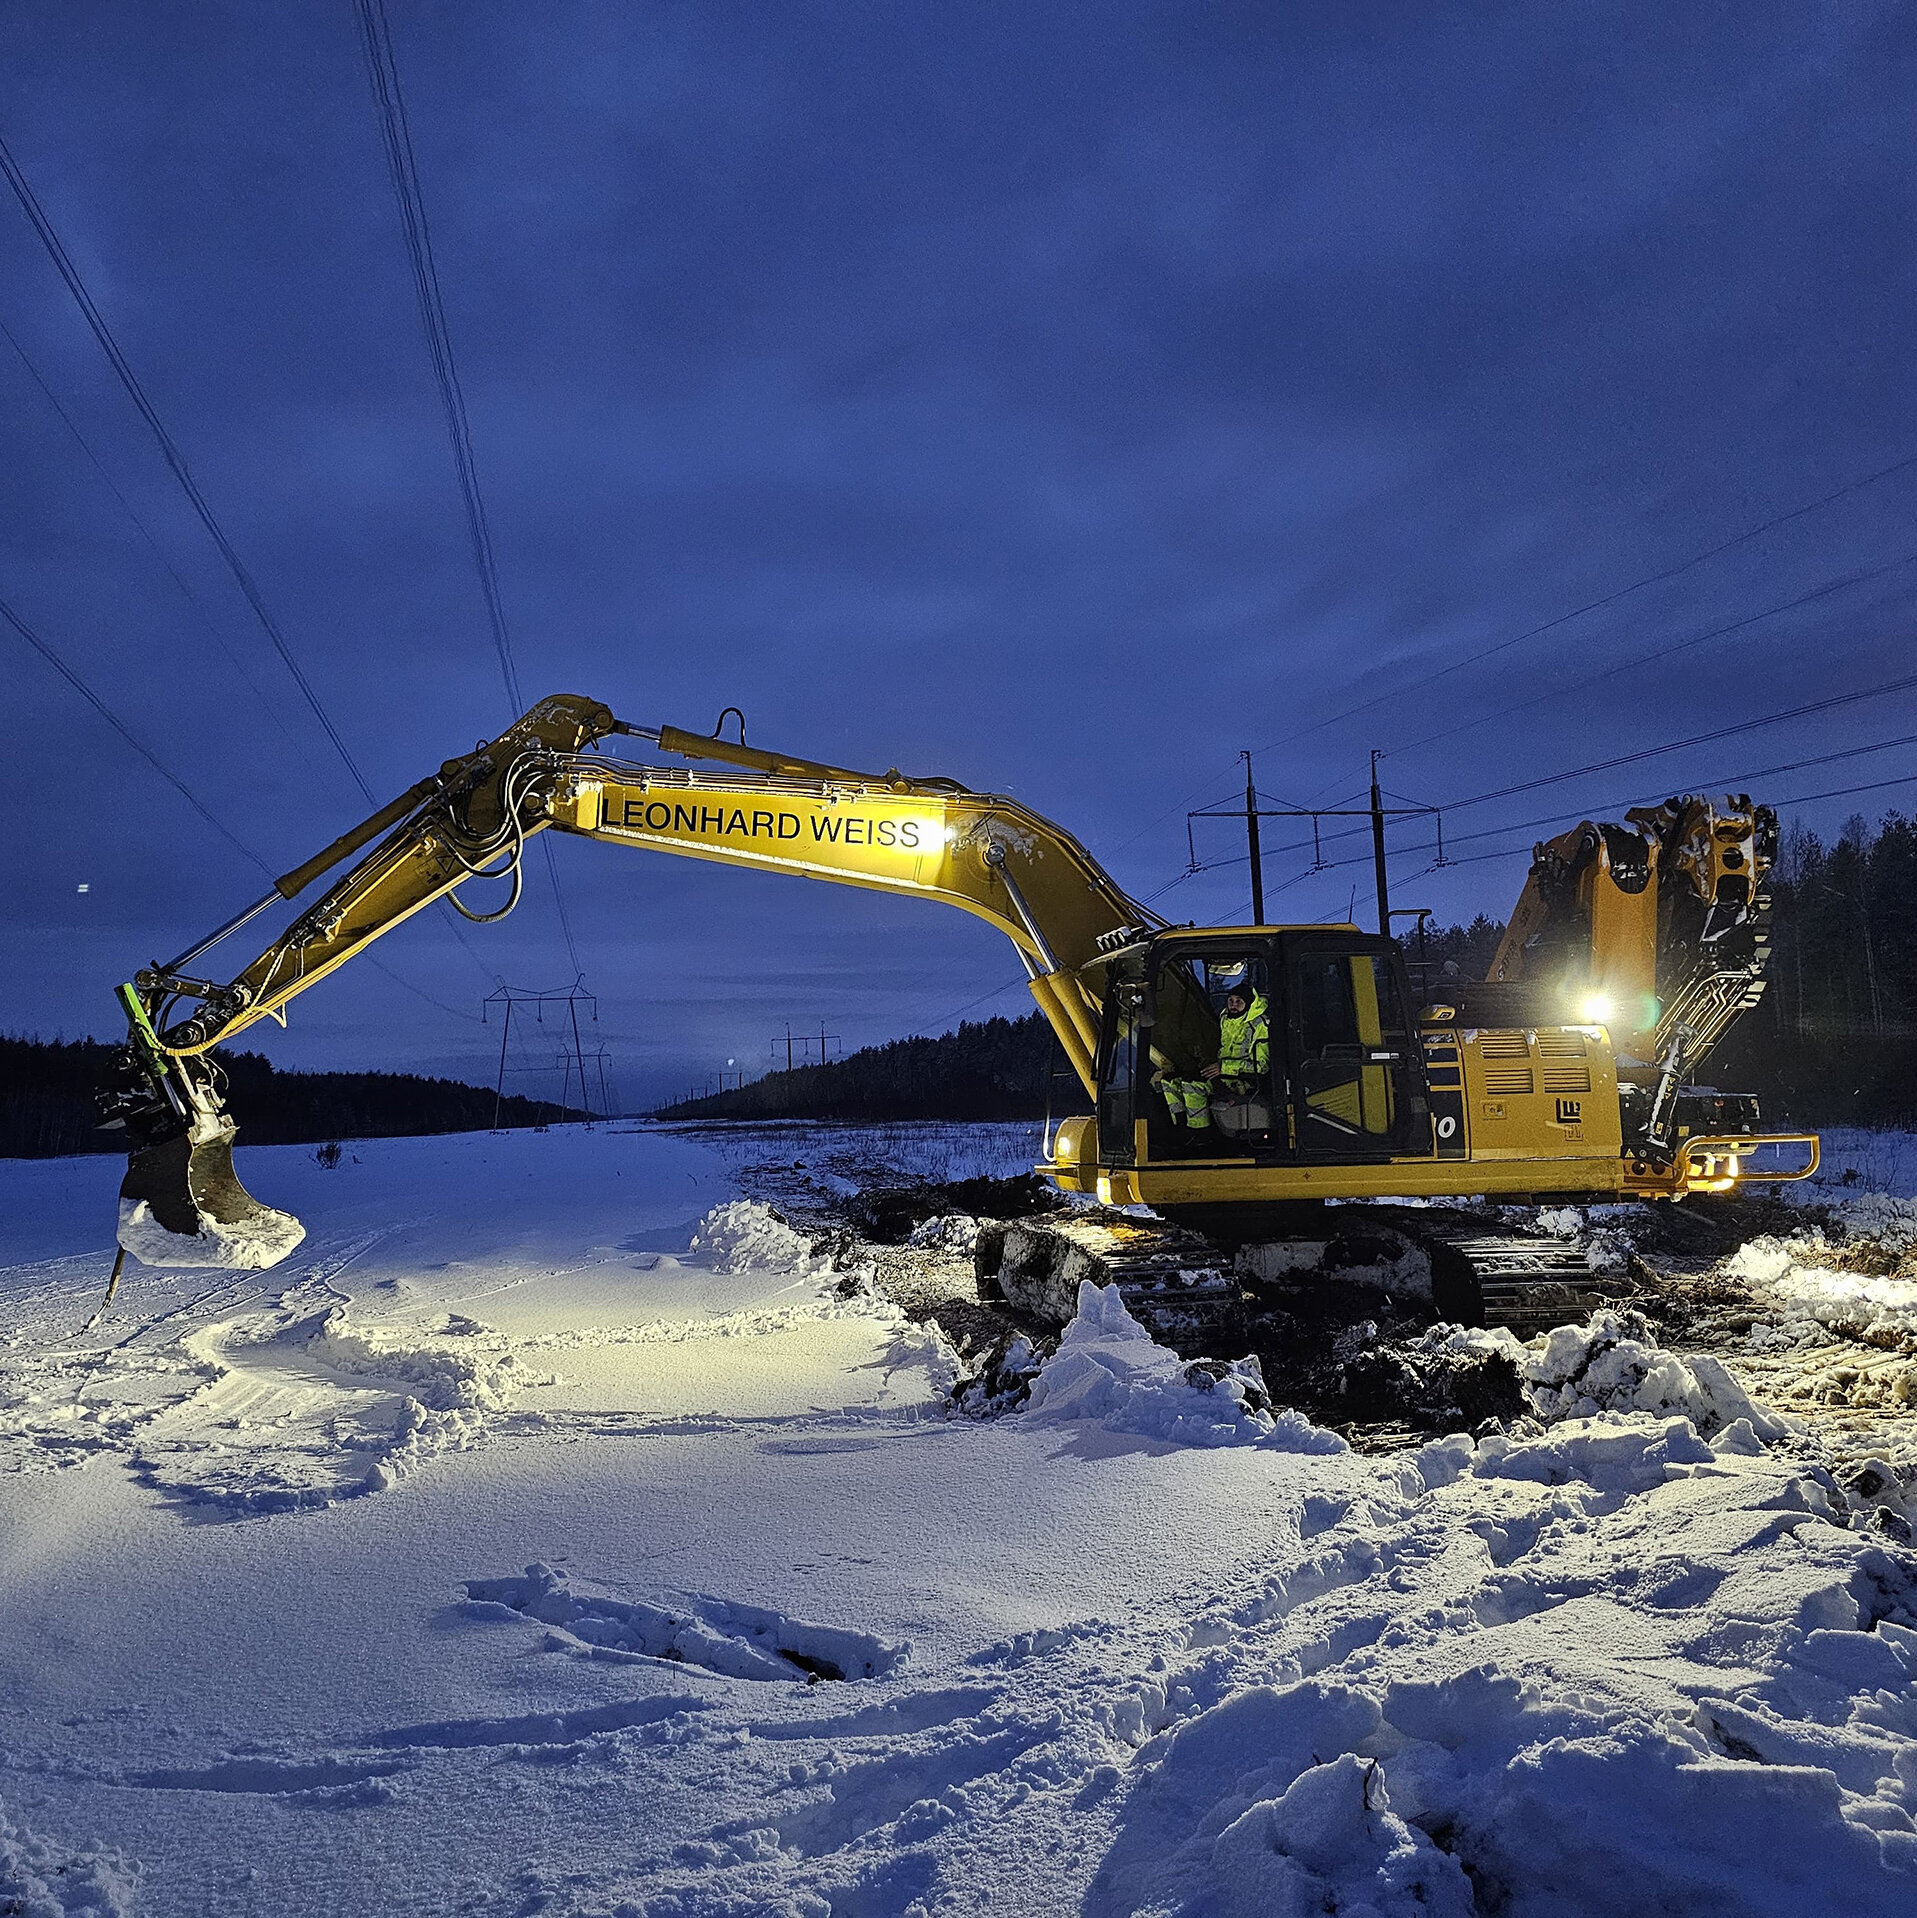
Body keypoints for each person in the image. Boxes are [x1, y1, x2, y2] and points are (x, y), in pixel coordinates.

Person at [1157, 967, 1270, 1130]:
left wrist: (1224, 1068)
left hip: (1243, 1081)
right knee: (1170, 1081)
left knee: (1192, 1085)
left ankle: (1200, 1133)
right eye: (1231, 1001)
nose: (1233, 1005)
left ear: (1249, 1004)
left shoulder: (1260, 1026)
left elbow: (1262, 1067)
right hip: (1222, 1073)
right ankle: (1179, 1125)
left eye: (1239, 1002)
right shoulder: (1226, 1019)